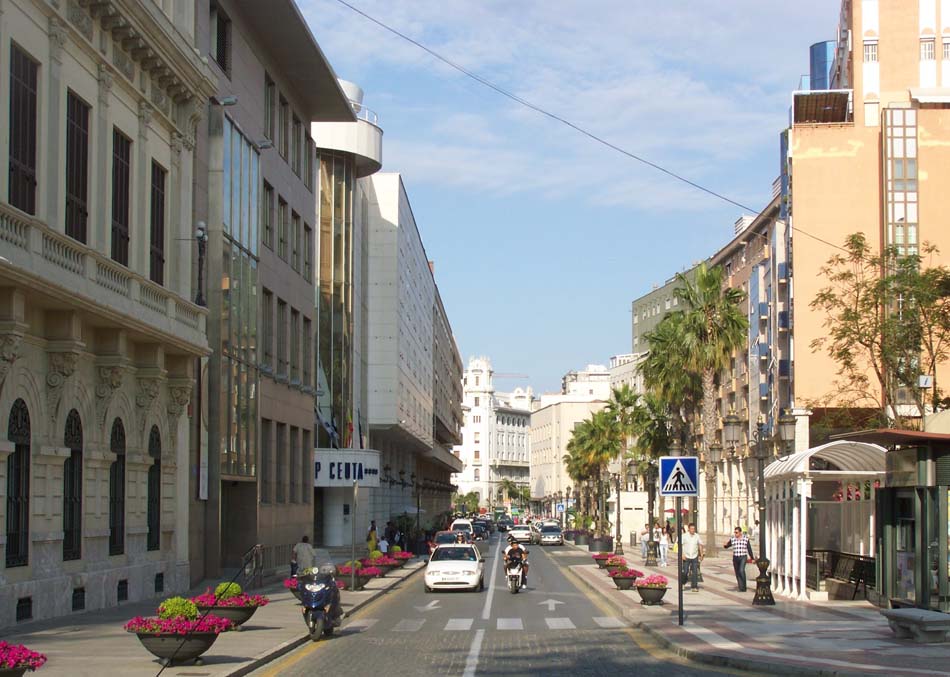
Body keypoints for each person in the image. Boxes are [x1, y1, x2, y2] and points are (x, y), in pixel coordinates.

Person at [723, 527, 754, 592]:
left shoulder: (745, 539)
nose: (735, 534)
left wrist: (752, 558)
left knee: (741, 570)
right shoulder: (733, 539)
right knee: (737, 572)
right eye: (735, 532)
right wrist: (725, 545)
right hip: (735, 557)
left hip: (743, 557)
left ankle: (744, 586)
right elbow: (728, 545)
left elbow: (749, 548)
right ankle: (741, 587)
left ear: (740, 532)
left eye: (736, 532)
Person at [680, 523, 704, 592]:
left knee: (695, 572)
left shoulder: (697, 536)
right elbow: (680, 545)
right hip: (686, 556)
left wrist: (701, 554)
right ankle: (683, 583)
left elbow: (700, 544)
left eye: (694, 529)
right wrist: (682, 554)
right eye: (691, 529)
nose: (693, 530)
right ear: (688, 529)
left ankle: (694, 586)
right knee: (685, 571)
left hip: (694, 556)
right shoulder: (684, 536)